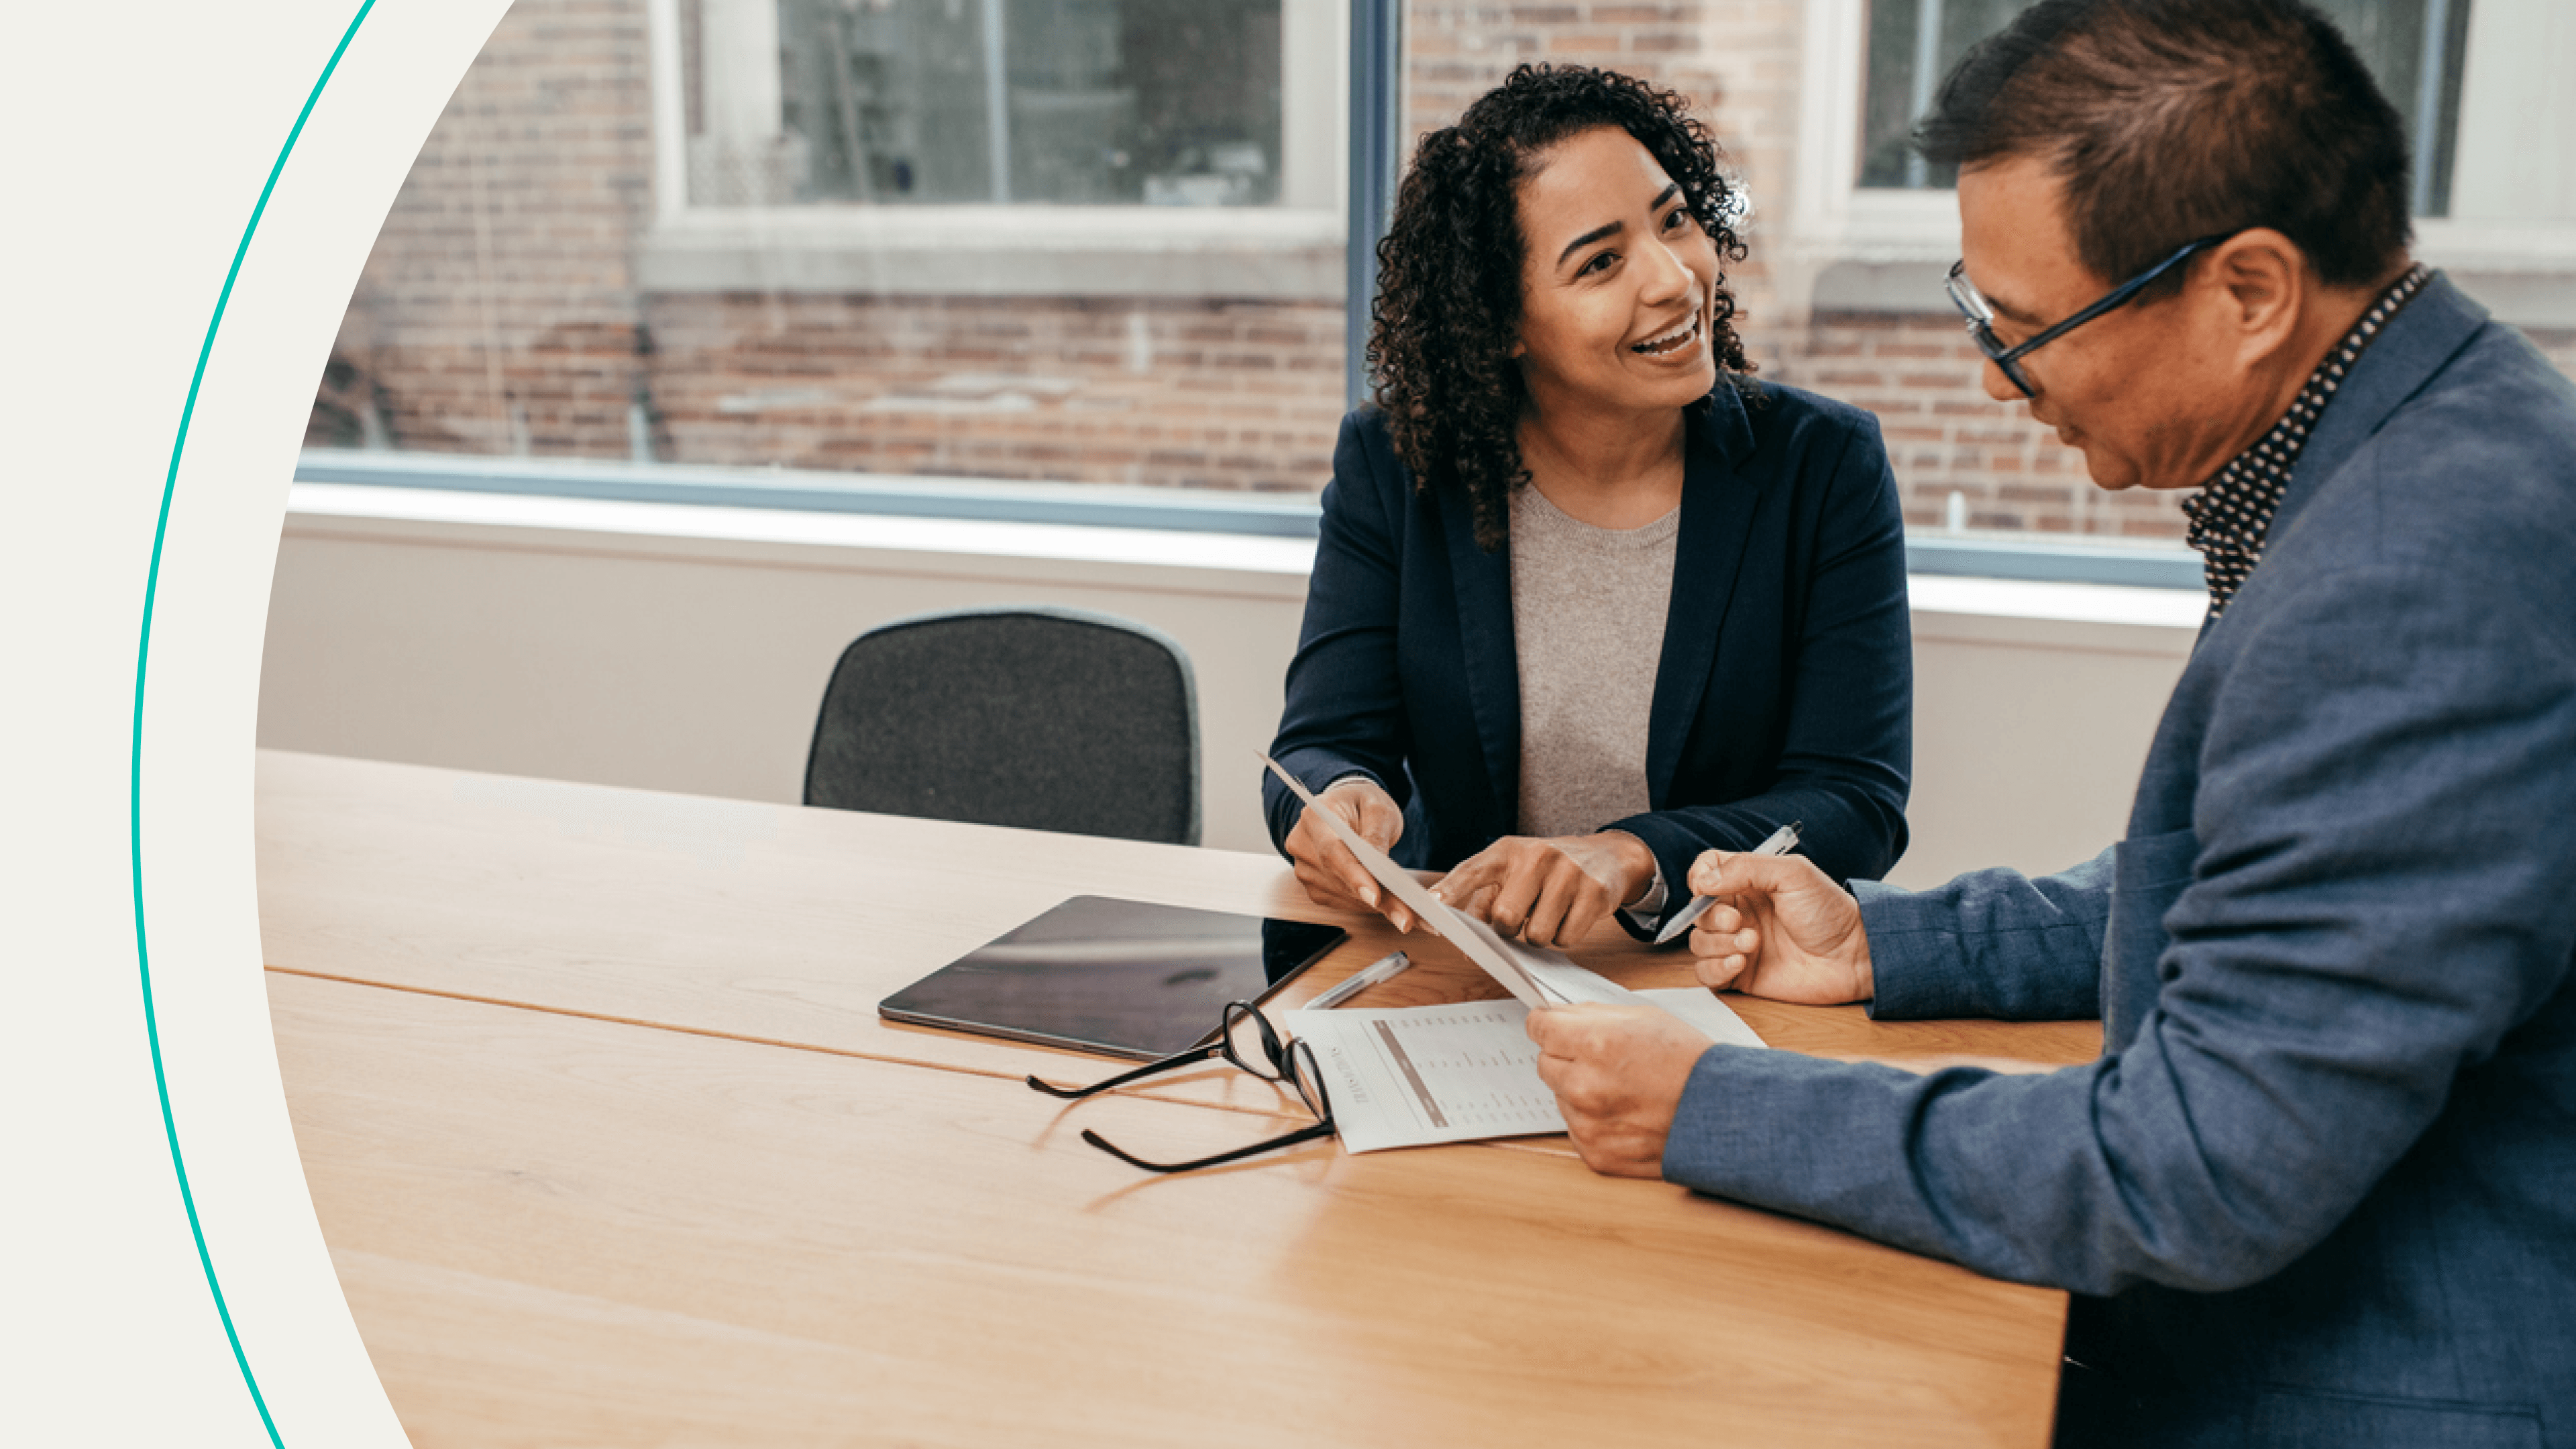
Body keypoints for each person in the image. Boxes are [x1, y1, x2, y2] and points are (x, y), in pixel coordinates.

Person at [1522, 2, 2576, 1442]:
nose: (2000, 380)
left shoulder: (2415, 570)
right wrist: (1889, 941)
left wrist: (1712, 1106)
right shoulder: (2427, 442)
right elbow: (2256, 877)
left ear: (2252, 290)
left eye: (2028, 331)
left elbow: (2197, 1170)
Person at [1262, 65, 1913, 951]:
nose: (1675, 278)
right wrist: (1336, 802)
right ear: (1502, 322)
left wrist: (1635, 856)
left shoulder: (1824, 464)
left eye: (1675, 220)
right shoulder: (1399, 464)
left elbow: (1854, 802)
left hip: (1718, 973)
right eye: (1601, 261)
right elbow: (1319, 745)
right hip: (1464, 966)